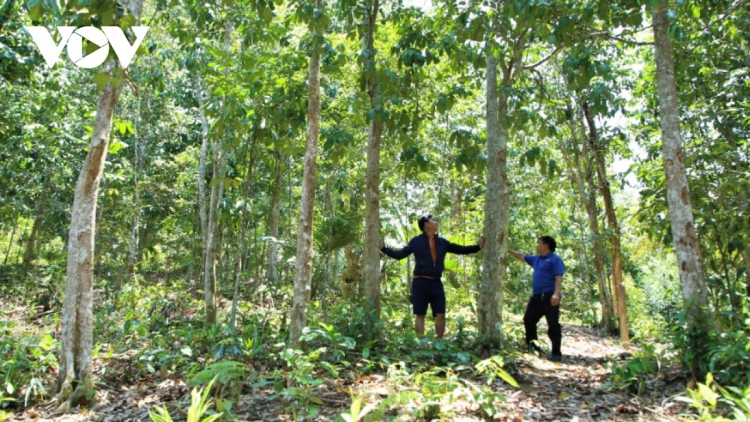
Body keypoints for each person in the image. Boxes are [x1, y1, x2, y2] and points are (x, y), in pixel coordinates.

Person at [380, 214, 485, 339]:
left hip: (436, 282)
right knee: (420, 314)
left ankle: (438, 342)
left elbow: (460, 249)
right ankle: (422, 344)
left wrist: (478, 247)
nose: (436, 222)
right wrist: (384, 249)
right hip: (420, 281)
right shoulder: (416, 241)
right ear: (426, 224)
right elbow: (400, 254)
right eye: (433, 220)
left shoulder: (442, 242)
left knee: (441, 313)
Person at [508, 236, 565, 362]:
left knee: (553, 324)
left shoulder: (555, 260)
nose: (537, 246)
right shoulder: (537, 259)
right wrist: (508, 250)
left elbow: (558, 277)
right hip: (537, 296)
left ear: (546, 245)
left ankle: (556, 353)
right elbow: (522, 256)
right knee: (528, 319)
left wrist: (556, 294)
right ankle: (533, 348)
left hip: (550, 295)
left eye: (539, 243)